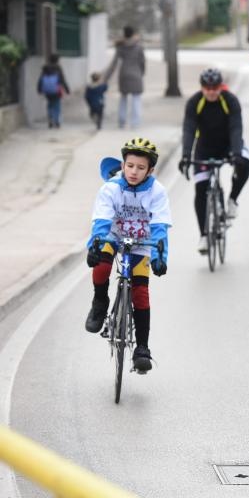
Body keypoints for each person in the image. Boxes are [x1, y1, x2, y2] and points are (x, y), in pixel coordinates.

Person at [85, 137, 171, 372]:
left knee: (141, 293)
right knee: (101, 266)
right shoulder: (111, 187)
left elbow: (160, 227)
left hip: (142, 242)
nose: (134, 171)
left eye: (141, 168)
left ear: (150, 171)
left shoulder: (157, 191)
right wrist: (94, 246)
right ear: (122, 165)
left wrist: (160, 258)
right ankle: (100, 301)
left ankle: (142, 348)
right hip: (112, 235)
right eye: (130, 165)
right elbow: (101, 219)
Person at [179, 68, 249, 253]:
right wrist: (186, 155)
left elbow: (236, 128)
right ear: (202, 87)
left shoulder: (230, 100)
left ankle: (232, 200)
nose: (211, 91)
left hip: (229, 145)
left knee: (245, 161)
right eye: (207, 88)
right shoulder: (195, 102)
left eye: (215, 88)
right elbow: (188, 129)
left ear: (220, 86)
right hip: (204, 148)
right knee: (201, 189)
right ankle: (204, 235)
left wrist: (236, 153)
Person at [107, 25, 145, 129]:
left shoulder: (120, 46)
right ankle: (135, 123)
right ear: (133, 34)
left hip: (124, 74)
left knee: (123, 98)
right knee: (136, 99)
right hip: (136, 74)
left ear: (124, 34)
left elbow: (114, 63)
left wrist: (105, 78)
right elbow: (142, 62)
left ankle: (121, 121)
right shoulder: (138, 47)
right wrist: (141, 73)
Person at [37, 54, 70, 129]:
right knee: (57, 105)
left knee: (50, 104)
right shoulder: (58, 68)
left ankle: (50, 119)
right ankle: (56, 120)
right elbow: (62, 80)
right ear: (57, 60)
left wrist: (39, 89)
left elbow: (41, 79)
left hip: (47, 90)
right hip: (56, 90)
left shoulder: (45, 68)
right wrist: (67, 90)